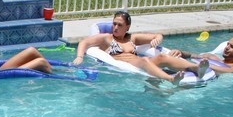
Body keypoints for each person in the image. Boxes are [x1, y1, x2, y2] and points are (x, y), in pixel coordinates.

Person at [71, 10, 208, 85]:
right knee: (145, 61)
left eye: (120, 25)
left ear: (127, 27)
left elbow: (157, 35)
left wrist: (157, 40)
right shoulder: (107, 38)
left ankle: (196, 68)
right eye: (114, 24)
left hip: (140, 63)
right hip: (129, 64)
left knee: (161, 57)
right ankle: (171, 79)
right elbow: (84, 42)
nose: (116, 27)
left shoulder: (132, 38)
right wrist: (79, 56)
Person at [156, 35, 233, 74]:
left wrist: (206, 67)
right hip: (193, 71)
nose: (227, 47)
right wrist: (180, 52)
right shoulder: (212, 57)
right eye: (227, 44)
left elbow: (231, 71)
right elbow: (191, 55)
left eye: (232, 47)